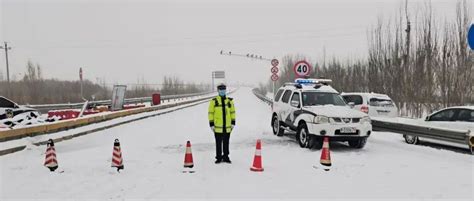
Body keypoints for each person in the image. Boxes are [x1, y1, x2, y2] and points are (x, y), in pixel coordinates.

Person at [208, 83, 236, 164]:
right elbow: (210, 113)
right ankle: (219, 157)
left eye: (224, 90)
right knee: (218, 143)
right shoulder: (214, 101)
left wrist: (233, 123)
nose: (222, 91)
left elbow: (233, 112)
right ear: (218, 91)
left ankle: (226, 157)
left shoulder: (229, 101)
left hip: (227, 127)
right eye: (221, 90)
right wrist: (211, 124)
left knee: (226, 142)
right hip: (217, 127)